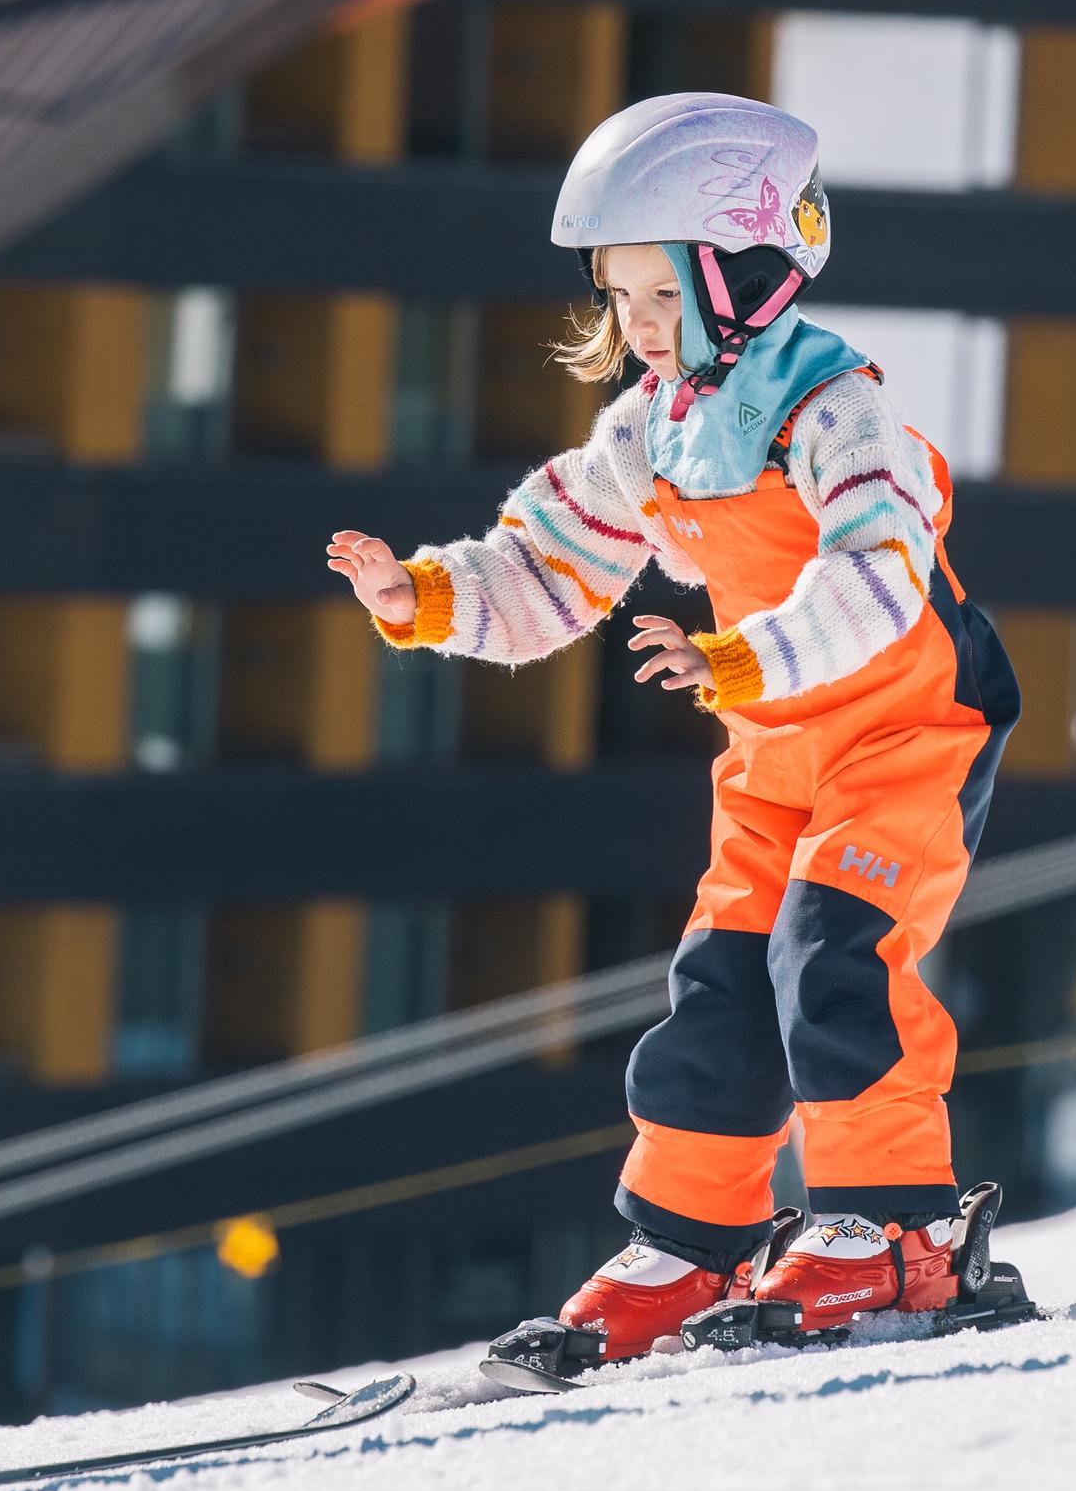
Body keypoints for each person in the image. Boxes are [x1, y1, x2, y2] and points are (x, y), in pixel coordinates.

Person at [325, 93, 1021, 1375]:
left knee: (836, 958)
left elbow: (878, 573)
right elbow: (551, 565)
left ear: (747, 269)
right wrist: (421, 597)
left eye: (657, 296)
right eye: (617, 297)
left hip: (906, 729)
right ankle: (694, 1240)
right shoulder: (652, 431)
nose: (633, 328)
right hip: (773, 748)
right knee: (721, 984)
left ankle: (897, 1233)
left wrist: (738, 654)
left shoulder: (835, 408)